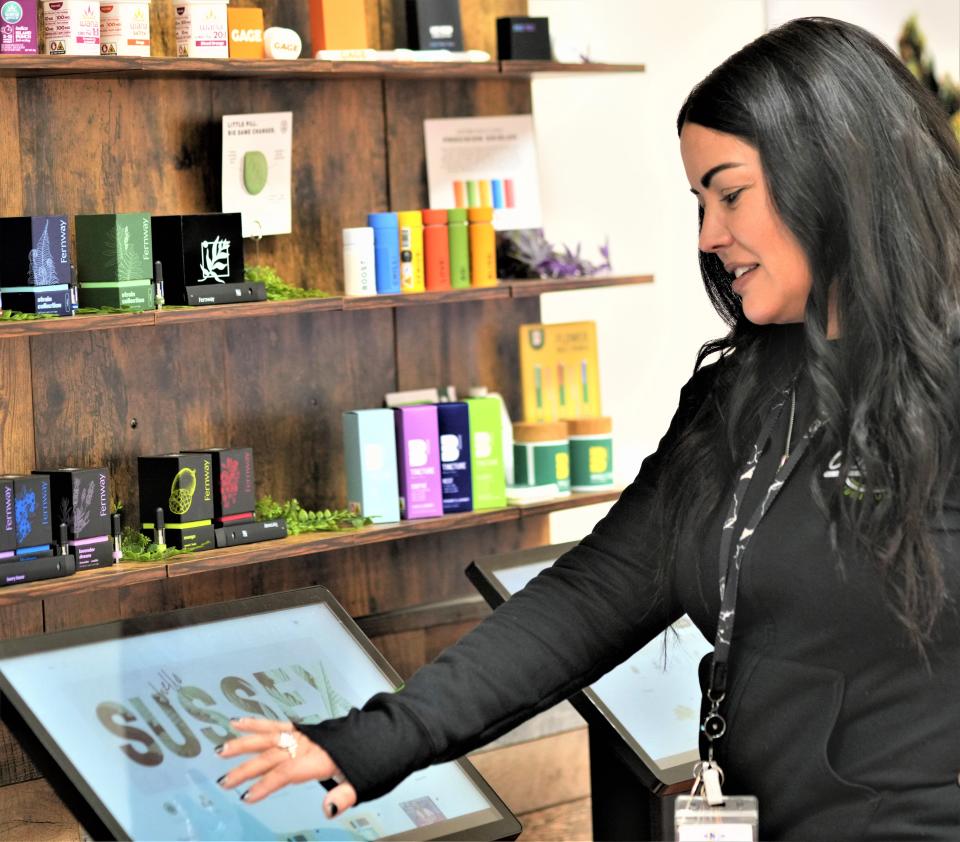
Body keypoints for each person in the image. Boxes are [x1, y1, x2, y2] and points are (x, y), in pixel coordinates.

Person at [216, 17, 960, 840]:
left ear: (836, 171)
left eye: (732, 192)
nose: (711, 237)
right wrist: (376, 737)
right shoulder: (741, 401)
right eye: (699, 203)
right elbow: (589, 597)